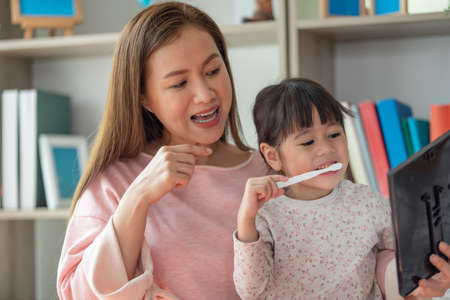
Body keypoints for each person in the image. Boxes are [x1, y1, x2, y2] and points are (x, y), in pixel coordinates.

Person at [56, 2, 269, 299]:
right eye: (179, 83)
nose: (205, 94)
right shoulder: (113, 183)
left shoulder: (267, 171)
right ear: (144, 97)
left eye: (212, 70)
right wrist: (139, 196)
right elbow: (77, 295)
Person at [233, 78, 450, 300]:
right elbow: (251, 291)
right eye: (307, 142)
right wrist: (246, 220)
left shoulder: (367, 201)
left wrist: (424, 281)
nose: (326, 149)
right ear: (273, 156)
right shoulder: (266, 215)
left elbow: (399, 270)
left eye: (334, 134)